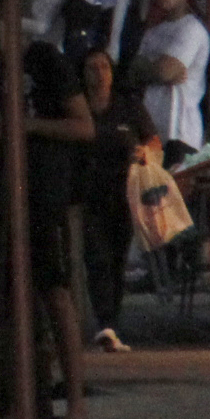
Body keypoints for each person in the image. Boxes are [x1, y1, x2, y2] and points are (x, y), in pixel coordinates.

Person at [18, 42, 96, 419]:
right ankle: (25, 400)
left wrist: (29, 126)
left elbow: (83, 126)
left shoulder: (43, 59)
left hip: (44, 195)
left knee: (55, 292)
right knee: (12, 299)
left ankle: (75, 404)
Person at [77, 49, 158, 346]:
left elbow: (152, 140)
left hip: (123, 192)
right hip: (88, 192)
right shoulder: (80, 107)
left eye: (104, 67)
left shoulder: (128, 107)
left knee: (117, 257)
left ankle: (112, 319)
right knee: (96, 256)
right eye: (92, 67)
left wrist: (145, 152)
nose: (99, 74)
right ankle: (105, 321)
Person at [132, 0, 210, 161]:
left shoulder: (191, 29)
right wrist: (156, 71)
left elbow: (165, 71)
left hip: (180, 130)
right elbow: (133, 72)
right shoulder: (152, 32)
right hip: (152, 131)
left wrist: (150, 70)